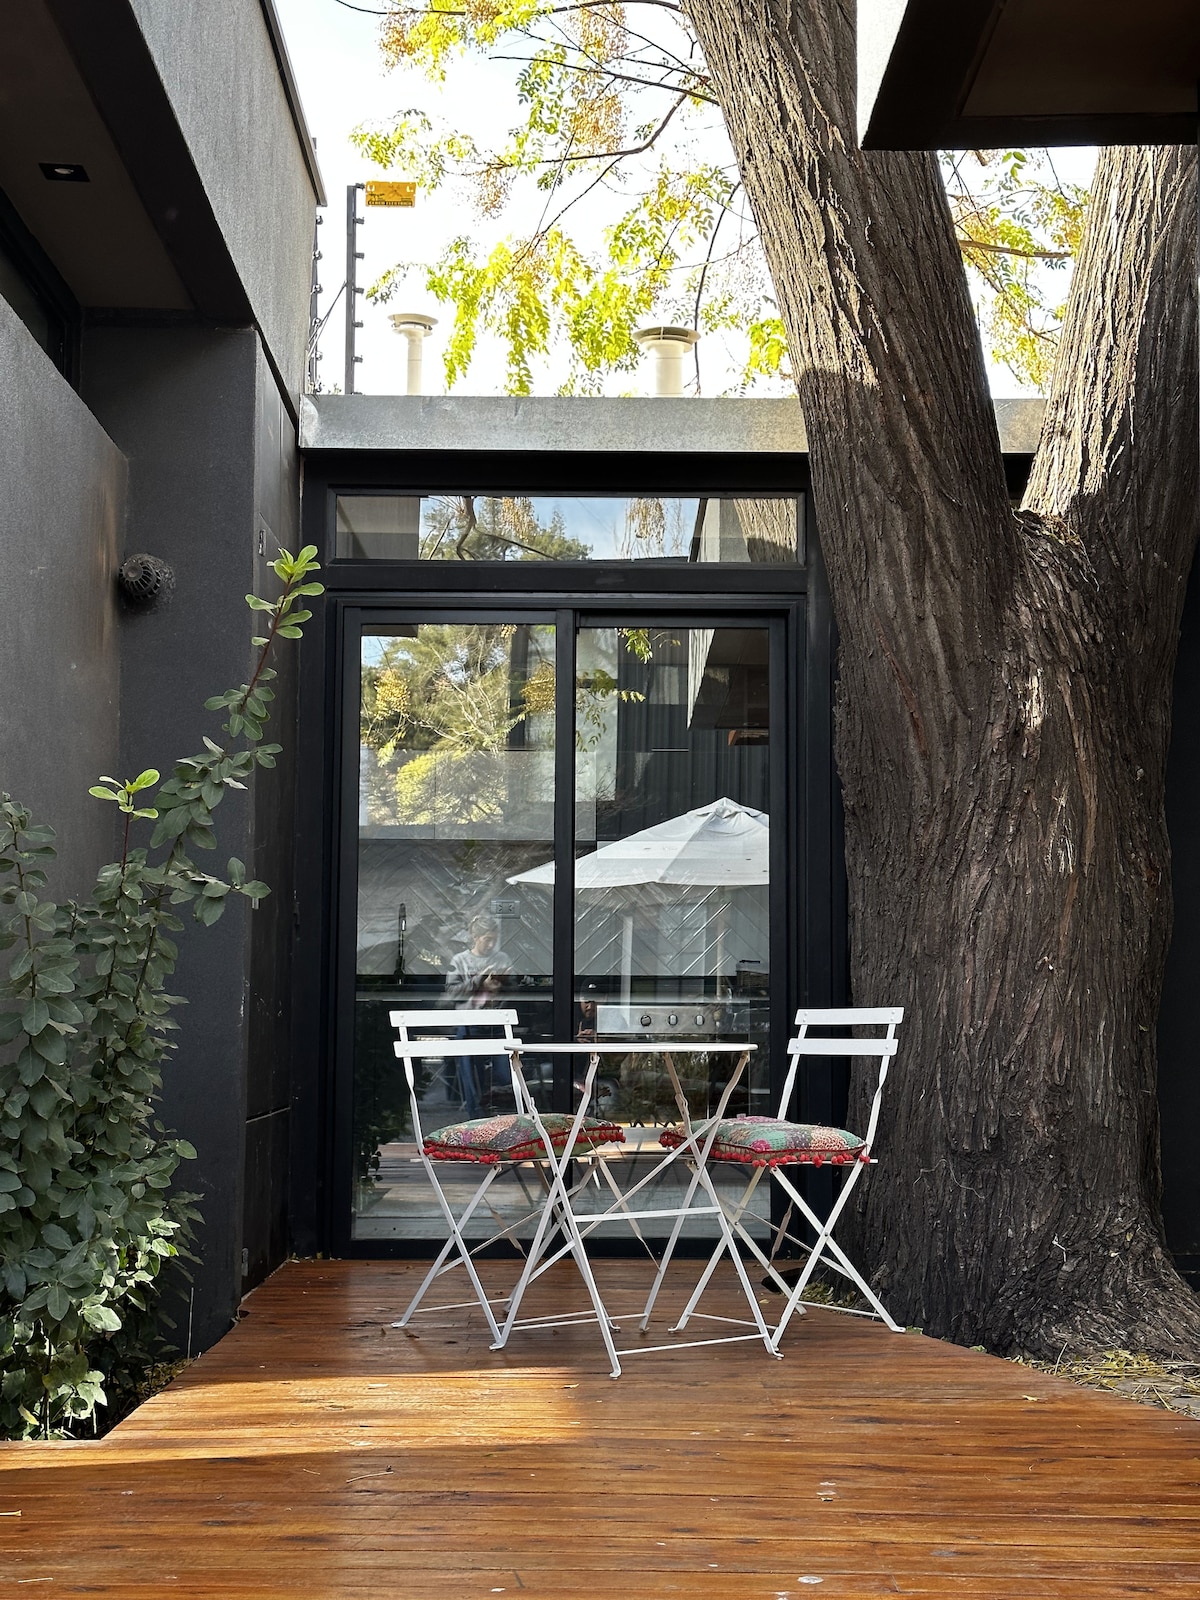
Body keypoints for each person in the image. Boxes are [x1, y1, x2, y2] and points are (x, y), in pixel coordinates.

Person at [445, 914, 513, 1117]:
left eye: (494, 939)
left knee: (504, 1073)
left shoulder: (502, 958)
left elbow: (517, 990)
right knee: (471, 1074)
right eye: (487, 940)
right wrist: (479, 980)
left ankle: (504, 1113)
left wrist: (504, 983)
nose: (491, 944)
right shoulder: (460, 961)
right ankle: (476, 1115)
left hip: (497, 1022)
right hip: (469, 1023)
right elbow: (452, 993)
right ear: (475, 937)